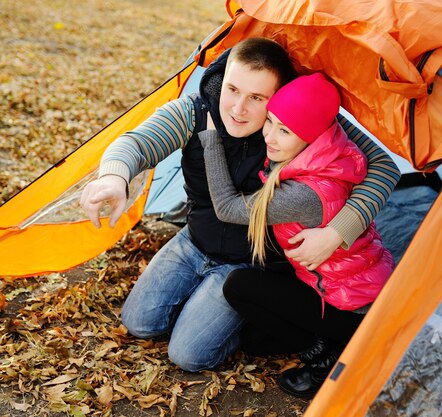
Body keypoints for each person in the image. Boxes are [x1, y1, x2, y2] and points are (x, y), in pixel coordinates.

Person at [80, 38, 401, 372]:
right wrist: (114, 177)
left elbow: (382, 167)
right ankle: (202, 302)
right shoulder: (197, 111)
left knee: (188, 356)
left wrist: (338, 231)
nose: (237, 108)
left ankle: (247, 320)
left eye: (256, 98)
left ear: (278, 99)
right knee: (140, 324)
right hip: (195, 241)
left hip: (250, 263)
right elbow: (138, 141)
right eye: (232, 89)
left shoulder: (295, 122)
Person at [201, 73, 395, 398]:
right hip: (344, 285)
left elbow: (228, 208)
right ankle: (330, 341)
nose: (270, 137)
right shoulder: (328, 150)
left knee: (239, 287)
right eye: (271, 122)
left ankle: (324, 360)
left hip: (352, 307)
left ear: (311, 137)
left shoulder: (304, 194)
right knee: (253, 340)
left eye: (285, 131)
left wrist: (210, 140)